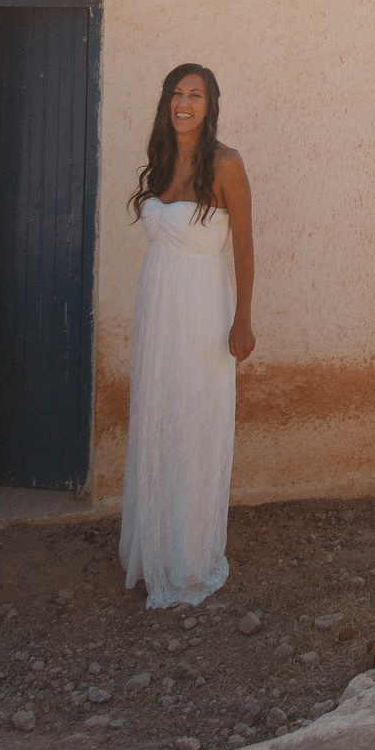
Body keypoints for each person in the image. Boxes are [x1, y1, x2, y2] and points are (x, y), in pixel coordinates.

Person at [119, 62, 256, 608]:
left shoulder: (226, 163)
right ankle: (156, 547)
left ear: (210, 105)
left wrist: (243, 319)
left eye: (196, 95)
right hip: (158, 309)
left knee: (194, 421)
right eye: (177, 93)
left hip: (202, 310)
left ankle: (190, 556)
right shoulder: (161, 159)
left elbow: (243, 246)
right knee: (158, 417)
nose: (184, 103)